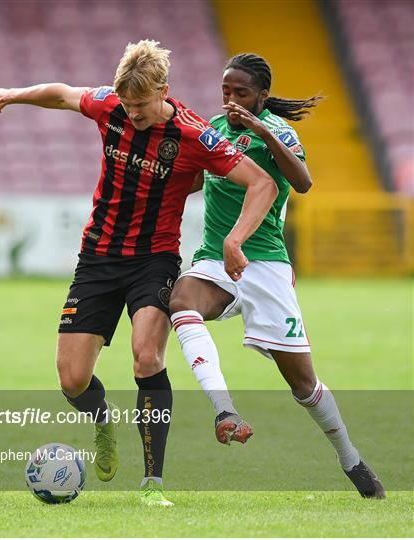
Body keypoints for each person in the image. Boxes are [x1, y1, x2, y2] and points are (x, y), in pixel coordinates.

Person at [0, 41, 278, 506]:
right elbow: (62, 94)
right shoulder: (111, 106)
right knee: (72, 379)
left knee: (146, 358)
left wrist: (234, 240)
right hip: (97, 257)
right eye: (127, 105)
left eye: (140, 106)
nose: (132, 114)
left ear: (163, 91)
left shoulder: (195, 135)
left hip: (153, 260)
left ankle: (153, 482)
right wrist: (11, 94)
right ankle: (102, 423)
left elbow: (263, 182)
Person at [169, 53, 385, 499]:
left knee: (303, 385)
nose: (230, 100)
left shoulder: (279, 132)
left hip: (265, 265)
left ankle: (352, 460)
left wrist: (262, 130)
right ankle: (224, 411)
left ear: (262, 97)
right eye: (226, 91)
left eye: (241, 93)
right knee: (181, 301)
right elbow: (200, 177)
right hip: (215, 257)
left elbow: (303, 183)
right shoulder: (215, 128)